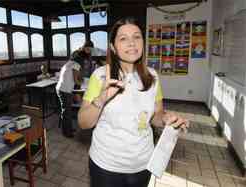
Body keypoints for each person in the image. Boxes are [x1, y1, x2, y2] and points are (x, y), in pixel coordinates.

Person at [78, 17, 189, 187]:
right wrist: (102, 97)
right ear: (113, 48)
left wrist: (166, 119)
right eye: (123, 38)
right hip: (106, 165)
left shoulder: (152, 76)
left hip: (142, 164)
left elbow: (156, 115)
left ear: (143, 43)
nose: (132, 43)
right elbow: (83, 122)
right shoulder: (100, 75)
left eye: (137, 37)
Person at [56, 50, 84, 138]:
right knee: (67, 112)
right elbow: (76, 80)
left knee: (67, 111)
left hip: (61, 88)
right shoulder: (76, 64)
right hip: (65, 90)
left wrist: (80, 80)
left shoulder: (68, 63)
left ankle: (68, 129)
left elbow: (74, 77)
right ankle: (67, 133)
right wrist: (83, 83)